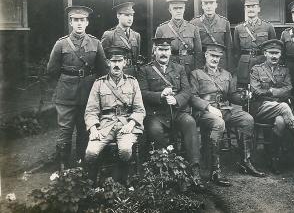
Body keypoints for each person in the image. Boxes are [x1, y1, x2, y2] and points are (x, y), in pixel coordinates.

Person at [191, 43, 265, 187]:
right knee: (219, 124)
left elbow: (232, 96)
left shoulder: (226, 74)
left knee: (247, 119)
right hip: (206, 112)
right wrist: (208, 107)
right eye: (212, 56)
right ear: (206, 55)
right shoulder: (196, 74)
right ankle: (215, 170)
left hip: (225, 109)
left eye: (218, 57)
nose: (215, 59)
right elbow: (192, 97)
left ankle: (245, 161)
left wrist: (244, 96)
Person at [47, 6, 108, 170]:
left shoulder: (96, 43)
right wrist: (64, 82)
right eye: (76, 20)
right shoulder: (61, 44)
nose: (79, 23)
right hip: (66, 94)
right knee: (65, 130)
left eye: (82, 20)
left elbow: (103, 70)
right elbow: (51, 70)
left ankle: (83, 164)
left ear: (87, 22)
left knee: (84, 128)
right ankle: (63, 167)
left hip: (88, 93)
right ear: (71, 22)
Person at [138, 37, 202, 187]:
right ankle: (165, 168)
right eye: (160, 50)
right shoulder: (145, 70)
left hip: (177, 111)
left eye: (166, 50)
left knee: (190, 122)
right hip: (156, 114)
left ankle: (194, 169)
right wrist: (160, 95)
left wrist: (177, 99)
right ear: (154, 51)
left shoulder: (179, 68)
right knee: (155, 130)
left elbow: (187, 91)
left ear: (170, 51)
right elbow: (141, 93)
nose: (164, 53)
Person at [250, 39, 294, 173]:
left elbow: (289, 88)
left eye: (277, 53)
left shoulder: (285, 70)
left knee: (281, 122)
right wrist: (275, 92)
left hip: (278, 109)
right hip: (261, 107)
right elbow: (256, 91)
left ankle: (273, 158)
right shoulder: (256, 69)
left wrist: (270, 91)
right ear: (265, 53)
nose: (274, 56)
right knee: (283, 106)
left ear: (281, 54)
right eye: (271, 53)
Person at [84, 46, 145, 185]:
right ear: (108, 63)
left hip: (126, 124)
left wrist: (131, 124)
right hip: (105, 125)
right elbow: (91, 111)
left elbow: (139, 109)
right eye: (113, 61)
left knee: (125, 151)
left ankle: (124, 179)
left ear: (125, 62)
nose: (116, 65)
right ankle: (91, 184)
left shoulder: (132, 82)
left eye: (120, 61)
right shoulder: (99, 83)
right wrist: (93, 129)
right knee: (91, 153)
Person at [233, 0, 276, 87]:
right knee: (244, 92)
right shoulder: (238, 28)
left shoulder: (268, 27)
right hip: (244, 65)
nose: (251, 9)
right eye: (248, 6)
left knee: (263, 89)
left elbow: (274, 50)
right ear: (245, 9)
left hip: (262, 63)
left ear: (259, 9)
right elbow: (236, 51)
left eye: (254, 6)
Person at [155, 0, 202, 75]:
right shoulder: (162, 29)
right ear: (170, 10)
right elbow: (155, 53)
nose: (178, 11)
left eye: (180, 8)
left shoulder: (193, 28)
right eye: (175, 8)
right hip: (169, 66)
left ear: (184, 9)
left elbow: (198, 53)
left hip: (189, 66)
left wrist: (197, 72)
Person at [190, 0, 233, 72]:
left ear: (216, 5)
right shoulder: (194, 23)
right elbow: (193, 48)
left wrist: (230, 68)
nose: (208, 6)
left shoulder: (224, 22)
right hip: (202, 61)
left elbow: (229, 48)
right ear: (202, 6)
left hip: (220, 62)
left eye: (211, 3)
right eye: (205, 3)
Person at [101, 2, 141, 76]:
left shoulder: (136, 35)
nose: (130, 18)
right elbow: (102, 60)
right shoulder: (109, 35)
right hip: (116, 74)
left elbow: (136, 58)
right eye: (126, 15)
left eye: (131, 15)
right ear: (118, 16)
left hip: (132, 74)